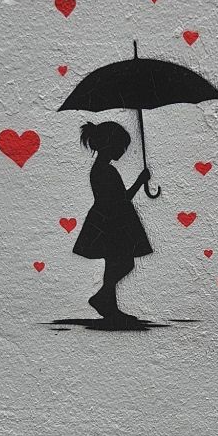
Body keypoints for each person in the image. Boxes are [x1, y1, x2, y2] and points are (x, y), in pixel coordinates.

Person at [73, 121, 153, 322]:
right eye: (121, 147)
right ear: (110, 144)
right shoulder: (105, 170)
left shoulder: (102, 168)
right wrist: (140, 181)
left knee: (115, 264)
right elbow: (122, 199)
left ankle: (108, 305)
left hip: (108, 220)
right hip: (111, 222)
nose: (123, 152)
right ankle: (104, 299)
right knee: (123, 263)